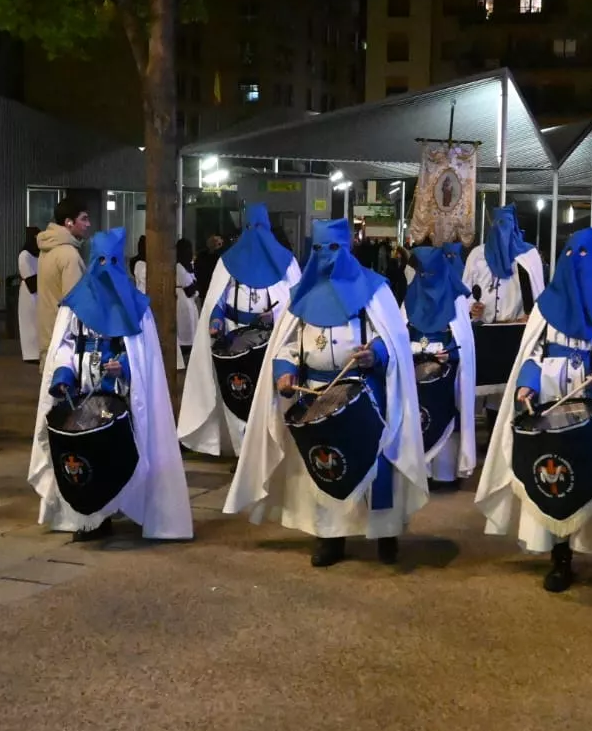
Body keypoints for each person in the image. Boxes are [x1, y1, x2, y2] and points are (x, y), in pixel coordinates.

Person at [227, 218, 427, 566]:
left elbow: (393, 340)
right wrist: (285, 371)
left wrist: (374, 354)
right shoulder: (301, 295)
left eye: (333, 248)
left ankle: (385, 533)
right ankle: (330, 537)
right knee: (323, 464)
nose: (326, 256)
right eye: (319, 249)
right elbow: (288, 345)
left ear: (348, 248)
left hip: (364, 392)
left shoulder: (375, 290)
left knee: (375, 465)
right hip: (315, 392)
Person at [477, 227, 592, 591]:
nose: (578, 262)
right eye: (571, 254)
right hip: (552, 409)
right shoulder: (546, 306)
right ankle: (560, 557)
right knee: (555, 479)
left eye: (586, 255)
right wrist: (527, 381)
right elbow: (533, 352)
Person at [30, 228, 191, 541]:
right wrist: (63, 375)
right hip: (80, 393)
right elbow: (64, 346)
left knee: (114, 455)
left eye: (111, 260)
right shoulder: (74, 305)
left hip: (119, 396)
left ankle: (120, 506)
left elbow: (142, 356)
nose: (104, 267)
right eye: (99, 260)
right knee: (86, 456)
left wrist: (126, 368)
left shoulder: (135, 307)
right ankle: (90, 518)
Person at [179, 204, 300, 457]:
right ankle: (242, 452)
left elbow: (294, 306)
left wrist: (275, 315)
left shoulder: (285, 263)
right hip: (234, 338)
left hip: (271, 340)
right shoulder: (228, 262)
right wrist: (216, 319)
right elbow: (217, 300)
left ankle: (264, 451)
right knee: (236, 394)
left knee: (265, 398)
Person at [403, 241, 477, 490]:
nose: (427, 280)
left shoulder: (455, 300)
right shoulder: (410, 297)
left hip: (445, 375)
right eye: (422, 274)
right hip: (414, 373)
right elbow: (400, 332)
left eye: (431, 274)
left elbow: (463, 343)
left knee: (445, 420)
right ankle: (418, 471)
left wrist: (452, 354)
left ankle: (445, 473)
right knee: (415, 419)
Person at [463, 204, 548, 330]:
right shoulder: (477, 254)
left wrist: (532, 317)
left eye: (507, 225)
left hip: (516, 327)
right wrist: (472, 306)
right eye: (499, 225)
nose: (503, 232)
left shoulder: (527, 256)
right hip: (484, 327)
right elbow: (465, 290)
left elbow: (538, 293)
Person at [35, 198, 94, 353]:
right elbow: (75, 305)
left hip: (48, 332)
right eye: (84, 219)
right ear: (69, 222)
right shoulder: (69, 255)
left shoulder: (48, 249)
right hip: (64, 343)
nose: (88, 224)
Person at [15, 228, 41, 362]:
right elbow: (29, 276)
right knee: (29, 323)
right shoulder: (24, 254)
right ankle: (30, 354)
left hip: (39, 292)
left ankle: (37, 352)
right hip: (29, 292)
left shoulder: (40, 254)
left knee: (37, 323)